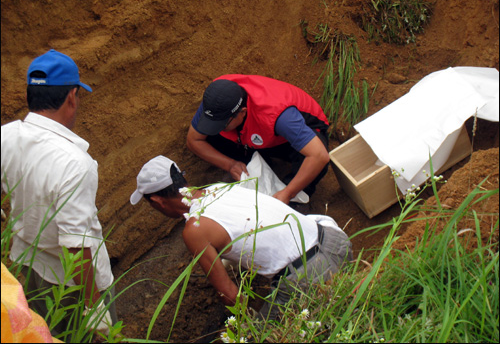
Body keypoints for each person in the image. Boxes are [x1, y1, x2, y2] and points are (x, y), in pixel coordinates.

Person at [130, 155, 353, 320]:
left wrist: (247, 327)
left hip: (308, 276)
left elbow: (229, 294)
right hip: (335, 242)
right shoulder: (219, 188)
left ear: (157, 201)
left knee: (265, 335)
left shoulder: (194, 229)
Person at [1, 49, 116, 337]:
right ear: (71, 97)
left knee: (42, 333)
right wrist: (92, 307)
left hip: (27, 267)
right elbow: (75, 244)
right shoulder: (75, 163)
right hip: (73, 287)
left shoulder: (6, 137)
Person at [186, 74, 331, 205]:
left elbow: (319, 155)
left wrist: (288, 193)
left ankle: (293, 202)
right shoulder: (217, 100)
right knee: (212, 136)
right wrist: (230, 165)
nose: (217, 128)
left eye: (222, 124)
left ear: (242, 113)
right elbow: (194, 140)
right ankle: (259, 167)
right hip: (257, 134)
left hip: (292, 135)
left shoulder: (280, 117)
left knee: (314, 162)